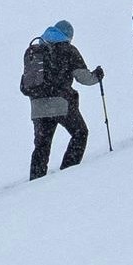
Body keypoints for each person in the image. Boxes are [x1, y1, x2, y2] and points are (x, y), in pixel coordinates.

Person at [20, 21, 100, 176]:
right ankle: (67, 173)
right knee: (80, 133)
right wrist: (97, 76)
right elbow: (84, 78)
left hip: (37, 105)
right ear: (68, 36)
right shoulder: (68, 50)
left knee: (41, 146)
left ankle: (35, 182)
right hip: (60, 103)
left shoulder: (35, 50)